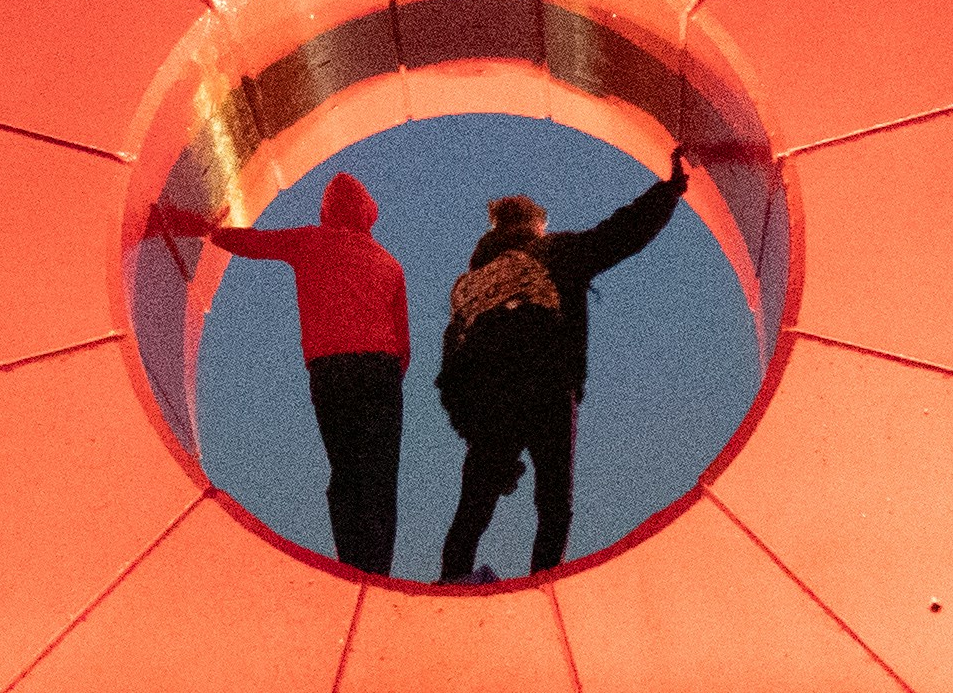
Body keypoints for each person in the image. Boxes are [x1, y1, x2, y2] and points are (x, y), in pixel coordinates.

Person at [432, 168, 693, 580]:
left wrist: (474, 428)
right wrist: (669, 191)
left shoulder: (468, 284)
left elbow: (450, 368)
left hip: (490, 403)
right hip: (548, 387)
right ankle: (543, 586)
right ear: (535, 226)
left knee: (473, 506)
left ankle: (450, 585)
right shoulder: (551, 252)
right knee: (554, 503)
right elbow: (618, 235)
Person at [167, 172, 410, 577]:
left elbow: (252, 244)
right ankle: (378, 570)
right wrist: (386, 380)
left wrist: (204, 228)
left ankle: (352, 567)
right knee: (382, 474)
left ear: (328, 212)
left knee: (345, 469)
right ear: (369, 214)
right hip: (380, 370)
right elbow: (404, 345)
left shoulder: (311, 241)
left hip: (330, 370)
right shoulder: (389, 263)